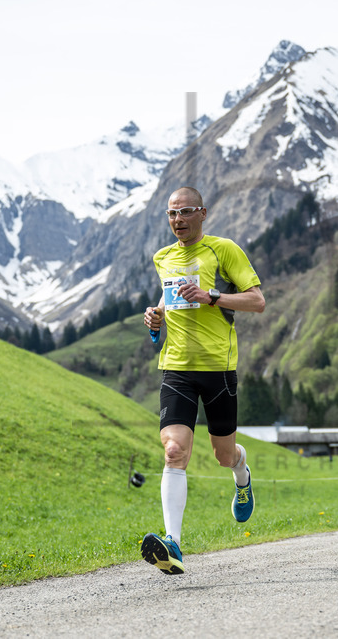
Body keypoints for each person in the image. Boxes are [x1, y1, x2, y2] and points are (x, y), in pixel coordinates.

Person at [140, 186, 266, 575]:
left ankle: (241, 474)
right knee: (174, 450)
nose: (178, 220)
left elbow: (257, 300)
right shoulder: (163, 257)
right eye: (171, 214)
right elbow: (169, 302)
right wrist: (155, 322)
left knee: (223, 454)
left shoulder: (222, 250)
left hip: (218, 369)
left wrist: (212, 296)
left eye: (185, 212)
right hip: (176, 367)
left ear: (203, 213)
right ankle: (173, 544)